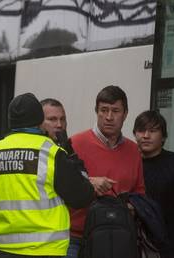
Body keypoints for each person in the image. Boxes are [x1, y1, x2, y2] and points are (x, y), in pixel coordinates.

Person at [0, 92, 94, 258]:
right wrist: (73, 158)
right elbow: (82, 197)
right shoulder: (52, 153)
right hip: (45, 250)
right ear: (39, 120)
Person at [66, 85, 145, 257]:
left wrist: (132, 206)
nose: (109, 117)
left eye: (115, 111)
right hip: (75, 239)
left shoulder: (133, 150)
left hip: (118, 237)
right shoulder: (74, 143)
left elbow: (139, 192)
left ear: (125, 114)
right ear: (96, 112)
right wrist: (89, 183)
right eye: (104, 110)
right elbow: (61, 187)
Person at [133, 110, 174, 258]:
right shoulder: (129, 165)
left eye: (153, 131)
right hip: (136, 247)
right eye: (141, 130)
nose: (146, 135)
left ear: (163, 136)